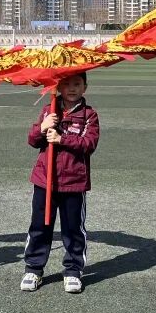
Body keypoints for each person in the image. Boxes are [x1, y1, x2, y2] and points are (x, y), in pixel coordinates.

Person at [20, 72, 100, 294]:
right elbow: (33, 140)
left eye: (77, 84)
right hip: (45, 181)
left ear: (85, 87)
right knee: (40, 227)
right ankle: (34, 268)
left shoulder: (89, 115)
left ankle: (73, 270)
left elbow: (89, 144)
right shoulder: (49, 110)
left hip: (74, 182)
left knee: (73, 229)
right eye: (66, 84)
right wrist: (43, 126)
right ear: (58, 88)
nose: (72, 88)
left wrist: (62, 139)